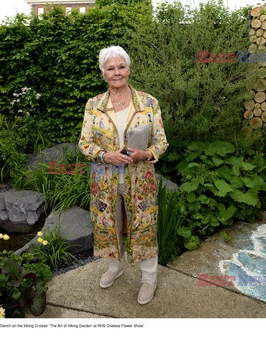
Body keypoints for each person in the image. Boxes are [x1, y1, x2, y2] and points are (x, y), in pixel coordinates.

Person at [78, 45, 168, 305]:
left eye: (121, 67)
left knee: (144, 229)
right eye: (110, 68)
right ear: (103, 73)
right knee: (109, 227)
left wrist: (144, 154)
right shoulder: (94, 105)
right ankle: (115, 268)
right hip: (104, 182)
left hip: (140, 181)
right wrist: (107, 155)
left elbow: (162, 143)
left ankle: (149, 278)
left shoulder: (148, 103)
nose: (117, 72)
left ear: (128, 69)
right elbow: (84, 144)